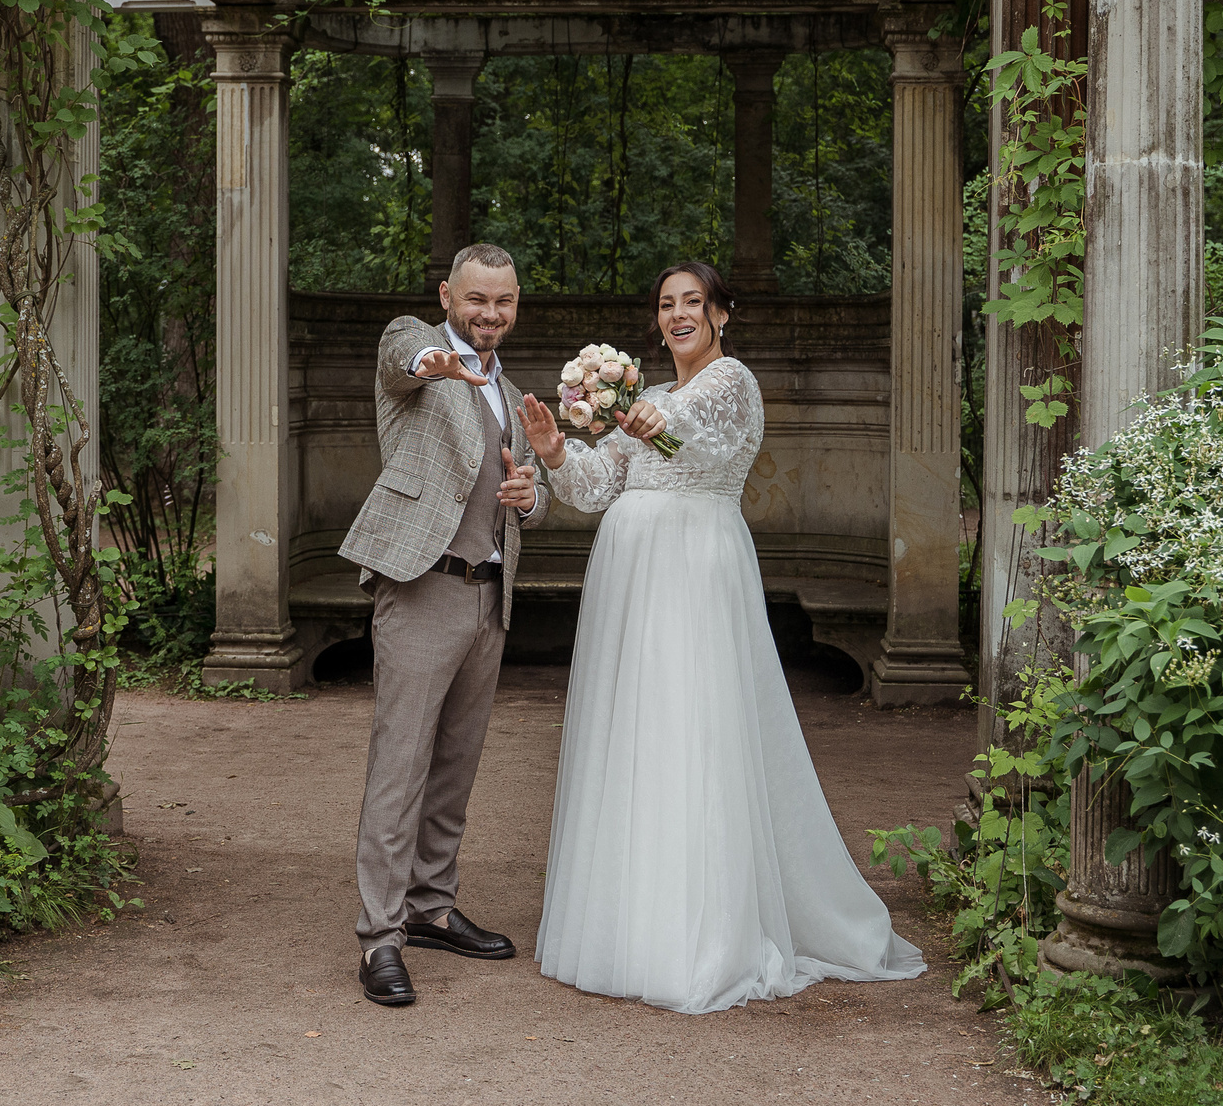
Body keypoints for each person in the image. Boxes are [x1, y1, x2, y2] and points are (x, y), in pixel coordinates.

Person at [516, 260, 926, 1014]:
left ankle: (701, 935)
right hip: (631, 579)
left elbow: (703, 445)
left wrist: (653, 421)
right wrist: (554, 451)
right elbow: (596, 488)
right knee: (636, 733)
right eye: (667, 303)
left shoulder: (732, 383)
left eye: (693, 302)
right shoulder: (651, 393)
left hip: (692, 568)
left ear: (720, 314)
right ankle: (628, 926)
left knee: (693, 728)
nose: (678, 314)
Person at [335, 243, 552, 1008]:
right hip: (422, 587)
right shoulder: (415, 344)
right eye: (476, 298)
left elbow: (532, 497)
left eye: (504, 300)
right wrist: (438, 360)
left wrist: (531, 496)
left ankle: (431, 905)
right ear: (447, 296)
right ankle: (380, 937)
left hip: (489, 597)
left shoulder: (513, 393)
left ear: (516, 305)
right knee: (400, 766)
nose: (490, 312)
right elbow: (406, 360)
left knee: (456, 766)